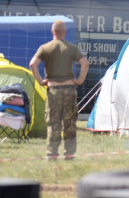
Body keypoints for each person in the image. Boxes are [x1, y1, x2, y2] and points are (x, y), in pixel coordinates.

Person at [29, 19, 89, 160]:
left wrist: (40, 81)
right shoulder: (72, 48)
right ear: (65, 32)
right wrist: (79, 80)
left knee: (53, 123)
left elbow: (33, 64)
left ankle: (52, 154)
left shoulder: (45, 48)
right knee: (69, 123)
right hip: (69, 89)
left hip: (53, 90)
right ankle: (69, 154)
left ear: (52, 32)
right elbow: (84, 64)